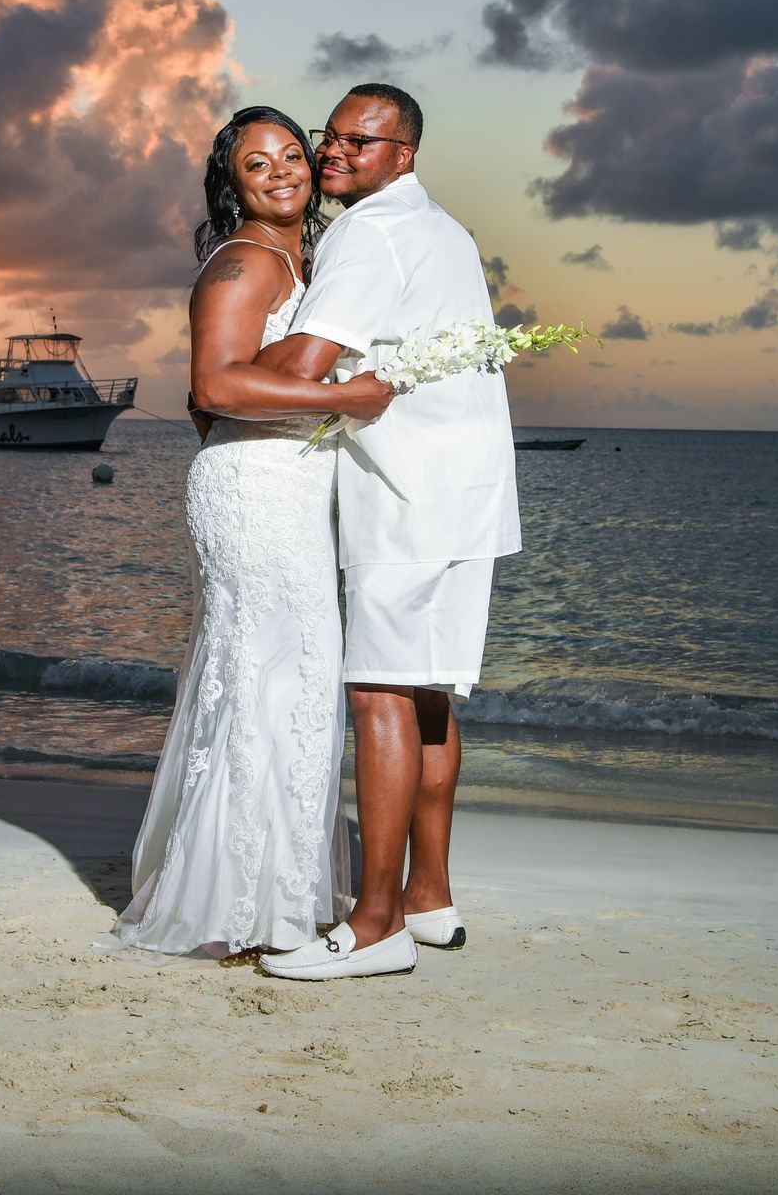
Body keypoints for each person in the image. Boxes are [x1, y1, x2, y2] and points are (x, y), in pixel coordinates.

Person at [102, 106, 395, 958]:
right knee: (269, 685)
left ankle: (269, 897)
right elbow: (215, 386)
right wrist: (342, 399)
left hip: (283, 488)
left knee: (288, 687)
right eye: (256, 164)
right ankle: (238, 906)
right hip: (258, 497)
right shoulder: (244, 261)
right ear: (233, 184)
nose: (281, 173)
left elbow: (221, 402)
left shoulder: (303, 255)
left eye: (292, 156)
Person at [254, 84, 521, 981]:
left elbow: (304, 362)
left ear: (403, 153)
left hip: (405, 492)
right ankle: (429, 896)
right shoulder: (445, 229)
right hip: (471, 493)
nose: (333, 154)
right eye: (330, 136)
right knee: (430, 691)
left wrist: (224, 366)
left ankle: (373, 926)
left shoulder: (370, 233)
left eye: (358, 142)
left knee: (378, 694)